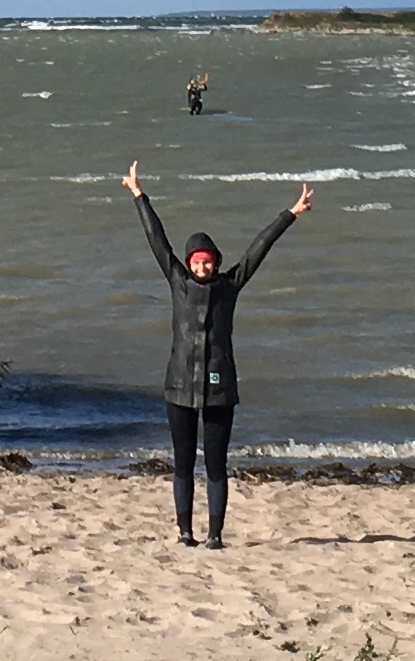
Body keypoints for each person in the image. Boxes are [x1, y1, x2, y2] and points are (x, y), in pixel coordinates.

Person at [125, 160, 309, 549]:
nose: (203, 265)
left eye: (208, 260)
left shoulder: (229, 286)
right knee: (182, 464)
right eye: (197, 260)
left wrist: (290, 214)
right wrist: (139, 195)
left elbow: (260, 248)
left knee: (215, 465)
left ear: (216, 262)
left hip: (219, 389)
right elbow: (157, 240)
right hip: (179, 388)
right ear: (190, 263)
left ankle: (214, 535)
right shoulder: (178, 282)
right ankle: (185, 532)